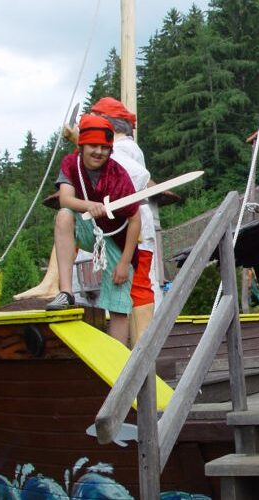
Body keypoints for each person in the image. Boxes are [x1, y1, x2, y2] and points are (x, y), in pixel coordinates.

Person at [45, 114, 141, 347]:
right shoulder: (71, 164)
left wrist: (124, 262)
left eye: (104, 147)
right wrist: (90, 205)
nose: (98, 152)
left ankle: (117, 362)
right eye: (93, 146)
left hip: (117, 237)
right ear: (82, 145)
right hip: (88, 229)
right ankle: (66, 292)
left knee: (119, 303)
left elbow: (135, 219)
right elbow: (66, 199)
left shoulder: (118, 175)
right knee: (64, 216)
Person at [90, 97, 161, 346]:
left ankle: (141, 348)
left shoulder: (121, 148)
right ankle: (139, 348)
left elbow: (139, 176)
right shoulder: (127, 147)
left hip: (133, 222)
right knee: (135, 286)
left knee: (139, 284)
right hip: (131, 223)